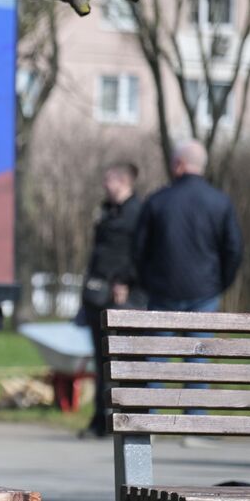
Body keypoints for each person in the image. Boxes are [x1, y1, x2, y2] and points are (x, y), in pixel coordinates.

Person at [133, 140, 243, 416]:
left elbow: (138, 249)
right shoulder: (220, 202)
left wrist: (149, 282)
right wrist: (220, 283)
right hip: (205, 291)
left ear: (179, 164)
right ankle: (195, 421)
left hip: (162, 291)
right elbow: (234, 249)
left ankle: (151, 420)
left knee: (156, 359)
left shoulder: (158, 200)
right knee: (199, 356)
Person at [78, 162, 143, 438]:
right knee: (100, 358)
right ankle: (100, 418)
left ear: (122, 181)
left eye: (109, 180)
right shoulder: (106, 211)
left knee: (124, 360)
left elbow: (141, 252)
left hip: (124, 295)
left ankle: (129, 419)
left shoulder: (138, 213)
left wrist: (126, 280)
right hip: (98, 294)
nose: (105, 185)